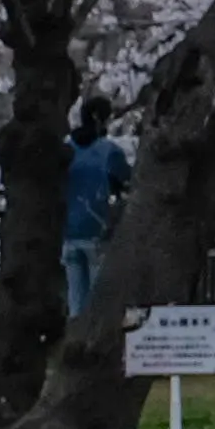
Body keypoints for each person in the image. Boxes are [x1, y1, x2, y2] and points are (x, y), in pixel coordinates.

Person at [59, 100, 130, 324]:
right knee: (99, 301)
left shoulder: (67, 149)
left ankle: (74, 344)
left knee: (76, 303)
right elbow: (127, 179)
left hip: (68, 231)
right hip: (98, 229)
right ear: (101, 119)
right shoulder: (108, 151)